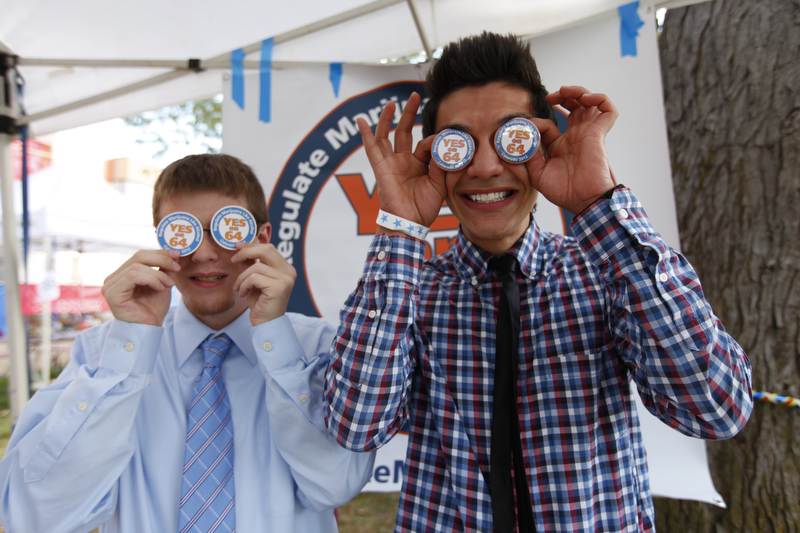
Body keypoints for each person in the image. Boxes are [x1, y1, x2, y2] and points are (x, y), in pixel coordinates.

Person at [325, 32, 753, 532]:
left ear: (540, 142)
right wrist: (400, 230)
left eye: (510, 139)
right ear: (436, 156)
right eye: (459, 145)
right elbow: (356, 425)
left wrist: (599, 205)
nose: (485, 167)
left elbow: (716, 409)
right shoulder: (411, 291)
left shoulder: (603, 273)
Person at [0, 154, 375, 533]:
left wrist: (276, 342)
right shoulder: (103, 353)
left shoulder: (317, 347)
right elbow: (34, 518)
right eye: (185, 232)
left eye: (226, 230)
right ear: (162, 241)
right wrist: (127, 352)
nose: (204, 253)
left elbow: (336, 484)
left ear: (261, 239)